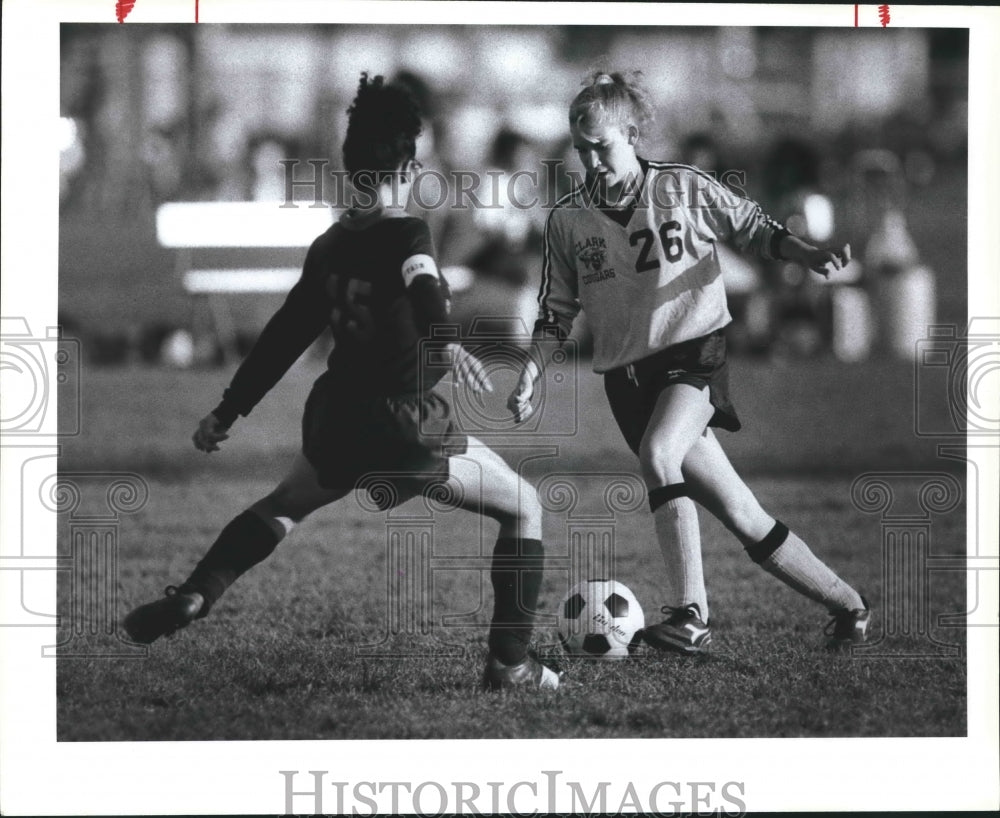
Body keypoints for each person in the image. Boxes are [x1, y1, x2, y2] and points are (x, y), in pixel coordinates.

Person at [124, 73, 560, 692]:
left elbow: (283, 335)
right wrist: (448, 339)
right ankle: (512, 663)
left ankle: (197, 593)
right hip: (408, 424)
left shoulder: (329, 245)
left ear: (348, 167)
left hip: (335, 417)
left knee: (281, 506)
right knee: (525, 506)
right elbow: (424, 285)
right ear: (408, 167)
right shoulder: (408, 231)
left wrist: (228, 410)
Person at [508, 70, 870, 654]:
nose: (591, 160)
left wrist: (809, 252)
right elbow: (555, 313)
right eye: (581, 150)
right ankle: (849, 605)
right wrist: (529, 374)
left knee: (658, 454)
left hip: (693, 355)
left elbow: (753, 227)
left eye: (601, 146)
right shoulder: (568, 221)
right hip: (627, 383)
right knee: (742, 513)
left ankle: (690, 615)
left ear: (631, 133)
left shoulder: (684, 188)